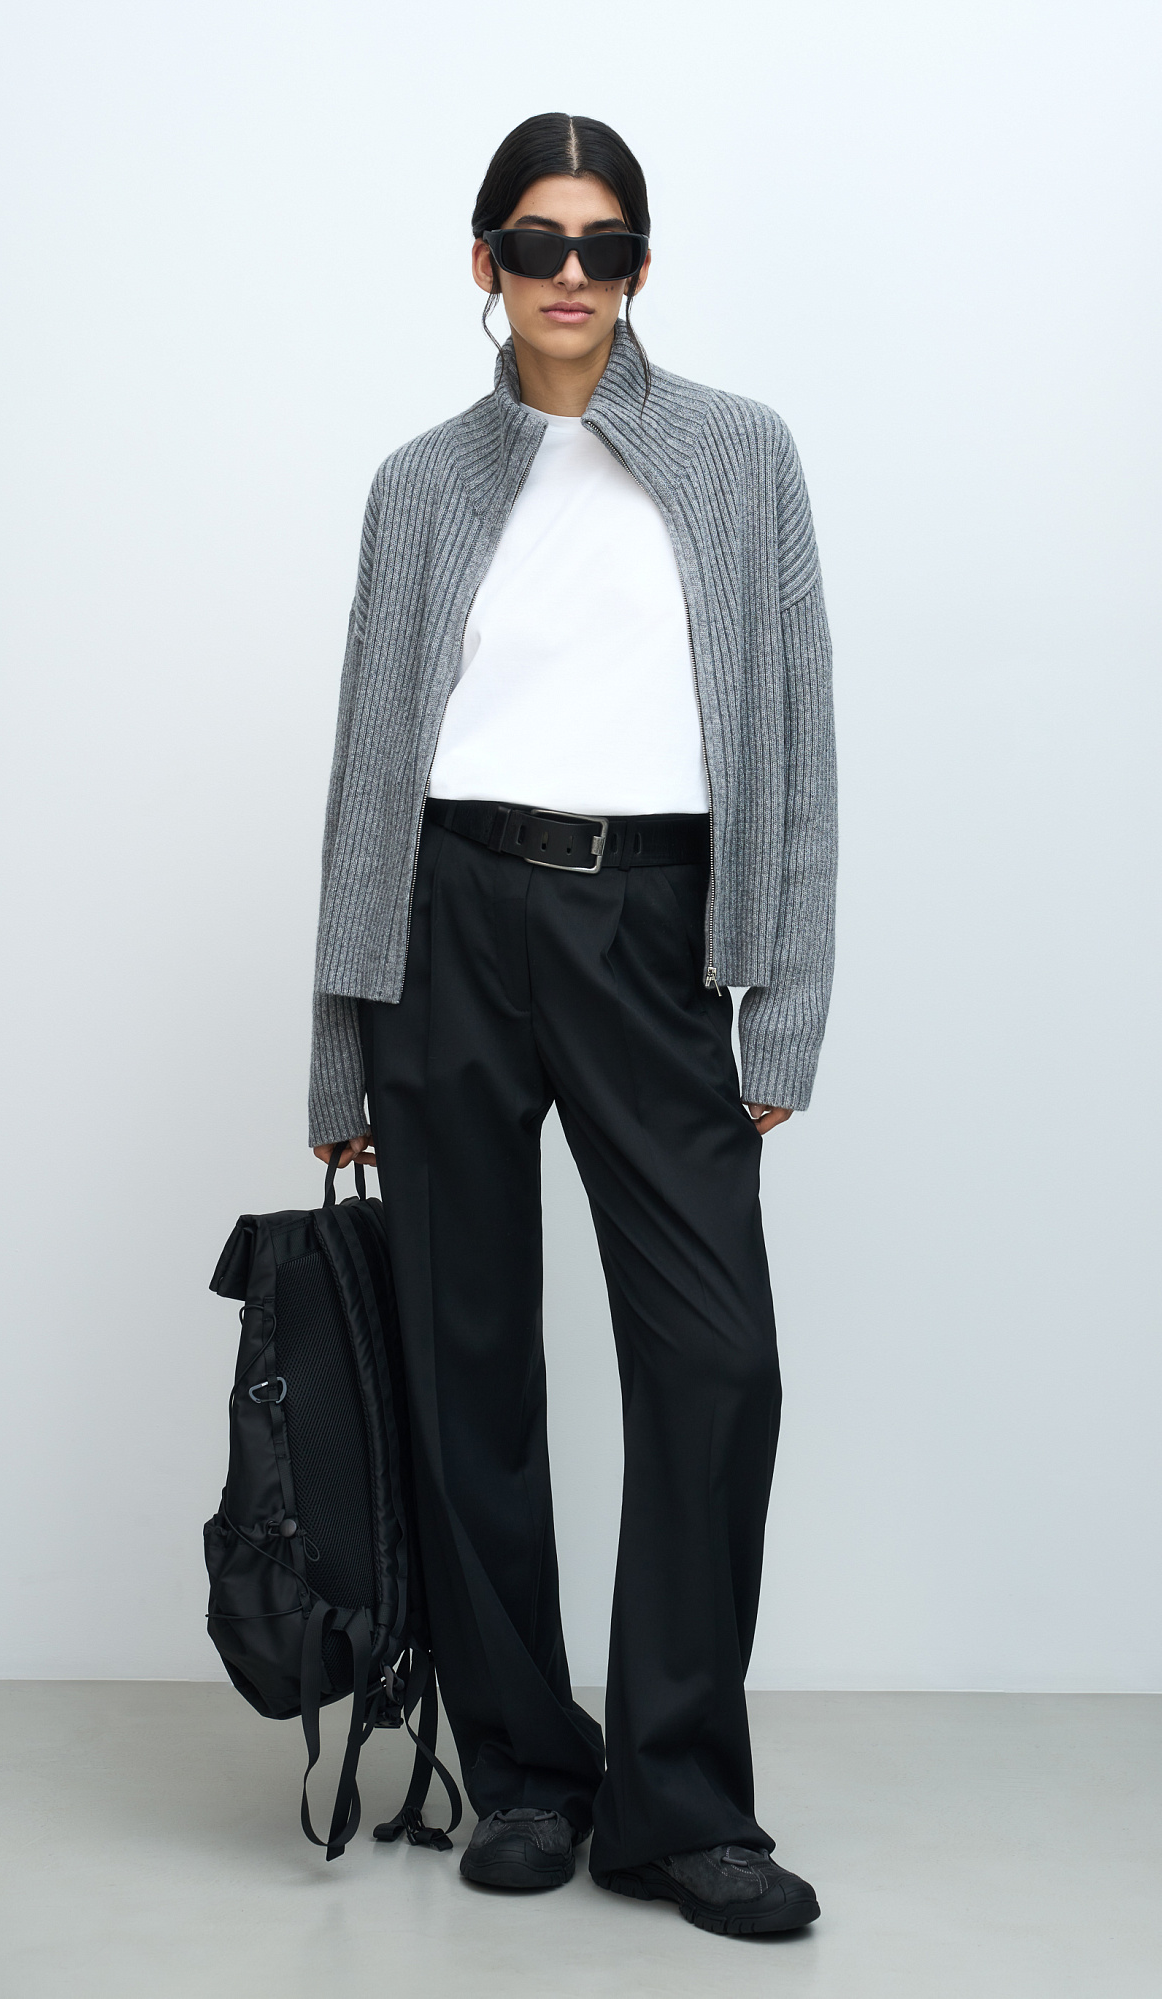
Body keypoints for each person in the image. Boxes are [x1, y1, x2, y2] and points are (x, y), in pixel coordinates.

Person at [308, 112, 836, 1939]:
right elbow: (369, 777)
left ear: (639, 268)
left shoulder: (739, 456)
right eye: (535, 243)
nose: (569, 276)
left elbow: (799, 736)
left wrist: (785, 1004)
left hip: (656, 927)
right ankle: (530, 1770)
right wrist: (337, 1045)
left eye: (603, 246)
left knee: (716, 1363)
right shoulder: (420, 486)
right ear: (485, 264)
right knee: (466, 1359)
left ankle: (679, 1803)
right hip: (449, 919)